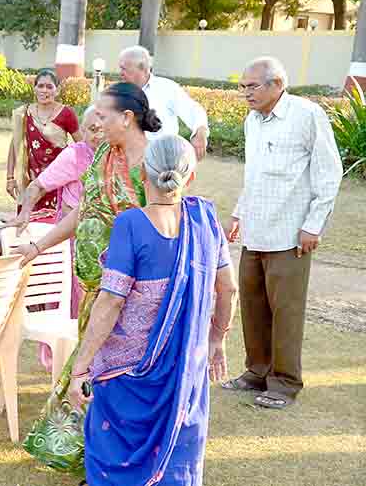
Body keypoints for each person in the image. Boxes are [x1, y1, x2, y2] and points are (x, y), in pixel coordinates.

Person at [68, 135, 238, 486]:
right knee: (177, 459)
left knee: (113, 454)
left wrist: (80, 368)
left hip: (127, 372)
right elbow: (228, 289)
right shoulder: (204, 219)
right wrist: (216, 340)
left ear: (142, 171)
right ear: (189, 178)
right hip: (185, 367)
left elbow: (111, 301)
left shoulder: (131, 224)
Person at [19, 83, 159, 472]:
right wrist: (39, 245)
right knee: (92, 368)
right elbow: (83, 212)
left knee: (112, 375)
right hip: (94, 289)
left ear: (127, 118)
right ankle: (92, 456)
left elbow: (164, 228)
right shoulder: (102, 156)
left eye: (103, 115)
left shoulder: (153, 165)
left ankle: (117, 460)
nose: (95, 121)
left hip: (133, 296)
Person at [222, 57, 343, 410]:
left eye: (252, 86)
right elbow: (254, 175)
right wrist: (238, 214)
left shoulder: (306, 115)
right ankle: (256, 372)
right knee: (252, 305)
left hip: (290, 234)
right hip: (255, 230)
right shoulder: (252, 121)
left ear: (277, 84)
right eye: (242, 86)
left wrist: (313, 225)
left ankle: (285, 383)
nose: (245, 93)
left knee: (285, 310)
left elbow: (328, 172)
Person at [6, 115, 105, 319]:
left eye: (103, 129)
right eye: (92, 129)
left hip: (104, 246)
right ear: (82, 132)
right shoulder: (76, 155)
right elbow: (38, 185)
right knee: (70, 304)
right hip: (73, 241)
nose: (99, 135)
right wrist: (25, 212)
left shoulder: (114, 154)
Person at [6, 69, 81, 218]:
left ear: (57, 90)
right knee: (27, 225)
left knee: (53, 227)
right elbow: (14, 147)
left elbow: (82, 146)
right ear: (34, 88)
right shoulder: (24, 113)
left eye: (49, 86)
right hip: (29, 182)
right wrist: (10, 178)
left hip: (57, 180)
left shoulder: (66, 114)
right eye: (40, 86)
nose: (44, 90)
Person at [118, 45, 210, 159]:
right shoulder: (117, 92)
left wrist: (200, 131)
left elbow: (193, 110)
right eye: (120, 68)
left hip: (163, 162)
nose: (120, 73)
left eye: (124, 69)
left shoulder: (167, 88)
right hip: (126, 162)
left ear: (142, 68)